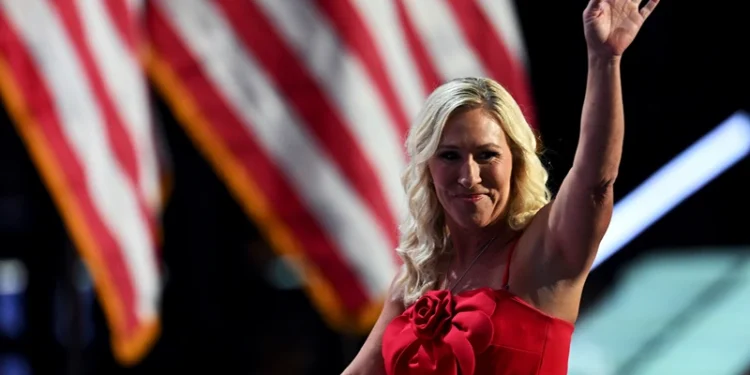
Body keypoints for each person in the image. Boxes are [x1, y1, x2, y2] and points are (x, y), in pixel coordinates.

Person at [342, 0, 660, 374]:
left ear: (518, 160)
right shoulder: (418, 274)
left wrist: (605, 60)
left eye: (487, 155)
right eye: (449, 156)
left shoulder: (546, 250)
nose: (469, 176)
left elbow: (595, 181)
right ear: (426, 167)